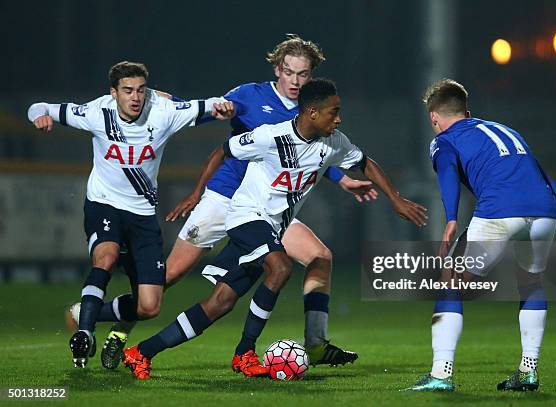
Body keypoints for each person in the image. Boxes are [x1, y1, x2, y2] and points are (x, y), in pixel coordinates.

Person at [93, 35, 377, 370]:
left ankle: (314, 345)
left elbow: (309, 158)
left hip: (268, 207)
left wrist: (342, 179)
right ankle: (117, 330)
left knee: (319, 257)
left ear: (311, 75)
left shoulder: (311, 110)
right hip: (225, 197)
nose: (295, 80)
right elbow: (208, 111)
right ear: (277, 69)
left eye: (302, 74)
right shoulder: (250, 95)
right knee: (169, 275)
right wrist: (168, 101)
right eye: (289, 72)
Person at [122, 78, 428, 379]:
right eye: (333, 111)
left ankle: (142, 352)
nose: (339, 118)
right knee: (280, 267)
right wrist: (195, 193)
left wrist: (396, 199)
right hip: (245, 216)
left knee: (221, 302)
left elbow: (365, 162)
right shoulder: (270, 137)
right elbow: (222, 152)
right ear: (312, 112)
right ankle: (245, 352)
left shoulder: (334, 143)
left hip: (272, 228)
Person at [27, 61, 233, 368]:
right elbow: (38, 106)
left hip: (143, 216)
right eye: (127, 91)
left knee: (149, 306)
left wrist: (223, 108)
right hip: (104, 205)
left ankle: (84, 312)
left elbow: (210, 107)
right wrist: (38, 117)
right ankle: (85, 333)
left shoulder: (163, 112)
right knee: (106, 258)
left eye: (140, 90)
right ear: (114, 93)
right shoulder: (97, 113)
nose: (135, 97)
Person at [405, 79, 556, 392]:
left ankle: (441, 375)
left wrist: (450, 219)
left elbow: (448, 169)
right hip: (544, 214)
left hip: (500, 210)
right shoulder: (507, 131)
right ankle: (528, 371)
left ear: (434, 117)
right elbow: (545, 180)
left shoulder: (444, 139)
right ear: (467, 111)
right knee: (530, 282)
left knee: (450, 279)